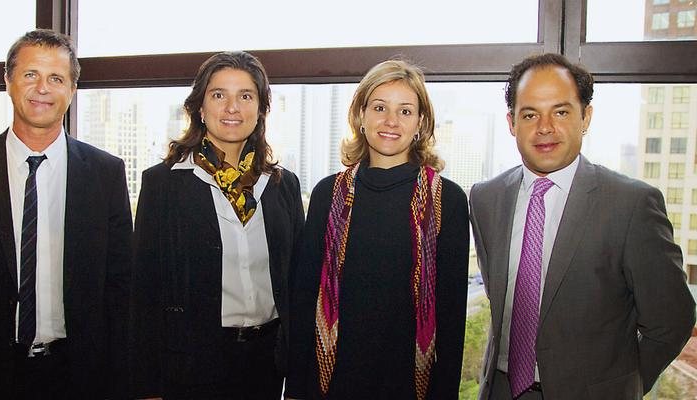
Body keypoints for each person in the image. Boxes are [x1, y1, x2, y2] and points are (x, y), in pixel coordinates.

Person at [469, 53, 696, 400]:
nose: (545, 127)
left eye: (560, 112)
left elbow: (671, 322)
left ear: (585, 116)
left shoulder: (631, 205)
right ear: (512, 122)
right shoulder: (485, 199)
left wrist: (620, 386)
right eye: (530, 114)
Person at [0, 29, 132, 399]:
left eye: (56, 78)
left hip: (80, 376)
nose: (43, 88)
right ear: (7, 81)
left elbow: (120, 290)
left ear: (71, 90)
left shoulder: (105, 173)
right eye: (30, 75)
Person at [286, 59, 469, 399]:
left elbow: (451, 317)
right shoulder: (328, 194)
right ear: (361, 115)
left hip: (409, 385)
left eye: (405, 111)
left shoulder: (449, 200)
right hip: (331, 383)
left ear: (421, 122)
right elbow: (303, 297)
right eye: (380, 107)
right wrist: (296, 388)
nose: (390, 121)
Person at [129, 51, 304, 399]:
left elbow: (298, 281)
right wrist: (147, 386)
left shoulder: (282, 185)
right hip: (192, 362)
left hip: (266, 361)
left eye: (246, 96)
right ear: (199, 107)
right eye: (219, 94)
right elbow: (143, 290)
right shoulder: (164, 184)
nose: (232, 107)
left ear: (261, 109)